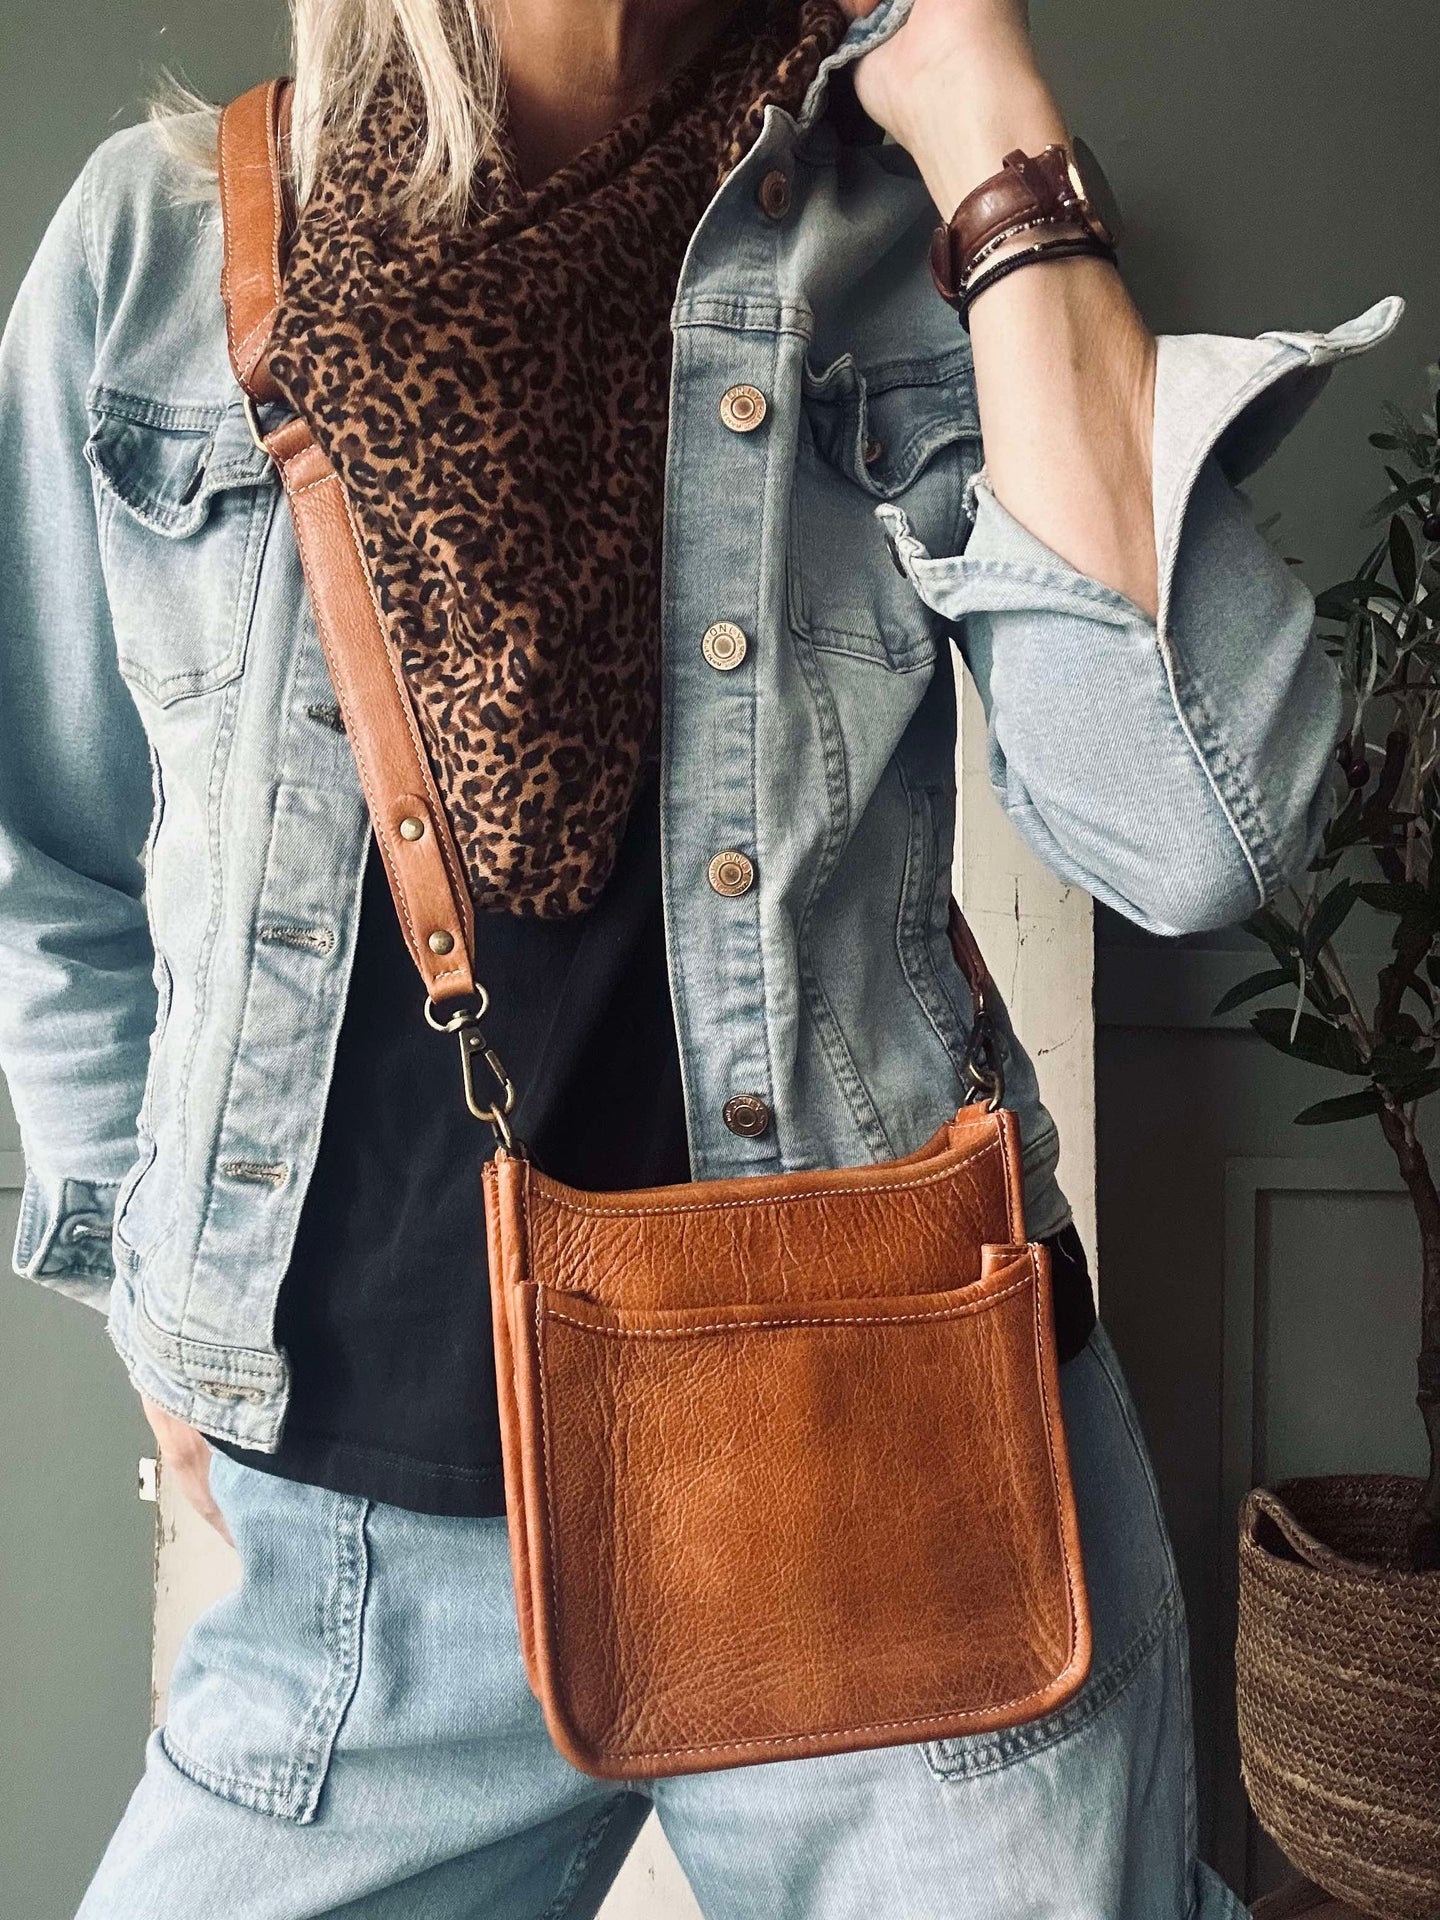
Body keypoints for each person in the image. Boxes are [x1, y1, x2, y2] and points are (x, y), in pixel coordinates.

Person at [0, 0, 1398, 1908]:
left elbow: (1196, 832)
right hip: (353, 1576)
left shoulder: (907, 237)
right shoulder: (161, 248)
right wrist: (148, 1304)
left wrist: (978, 110)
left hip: (896, 1494)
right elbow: (52, 855)